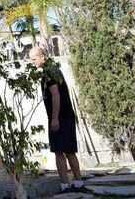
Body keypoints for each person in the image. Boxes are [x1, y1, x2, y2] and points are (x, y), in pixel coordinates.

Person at [29, 46, 87, 195]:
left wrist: (54, 118)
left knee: (60, 152)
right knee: (68, 151)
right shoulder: (53, 70)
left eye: (34, 59)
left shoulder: (50, 72)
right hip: (65, 116)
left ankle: (65, 186)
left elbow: (56, 95)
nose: (33, 62)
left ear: (42, 57)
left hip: (60, 118)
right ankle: (78, 183)